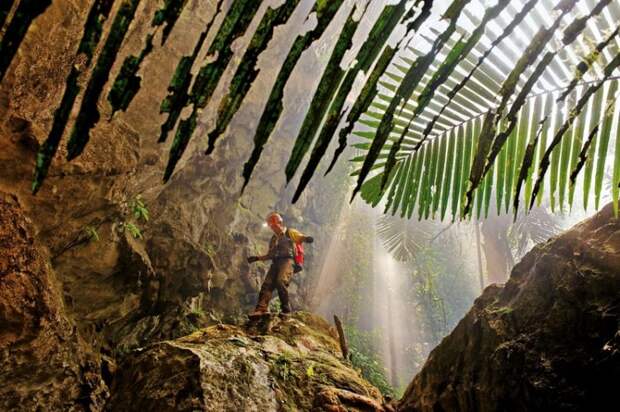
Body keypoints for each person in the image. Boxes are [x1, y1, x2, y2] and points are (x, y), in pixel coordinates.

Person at [247, 212, 313, 316]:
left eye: (274, 224)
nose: (273, 227)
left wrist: (306, 238)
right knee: (267, 284)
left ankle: (286, 310)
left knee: (281, 281)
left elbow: (299, 237)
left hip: (288, 261)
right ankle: (261, 309)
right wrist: (257, 258)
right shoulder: (273, 239)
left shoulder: (289, 232)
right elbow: (270, 254)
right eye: (271, 225)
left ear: (280, 222)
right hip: (276, 262)